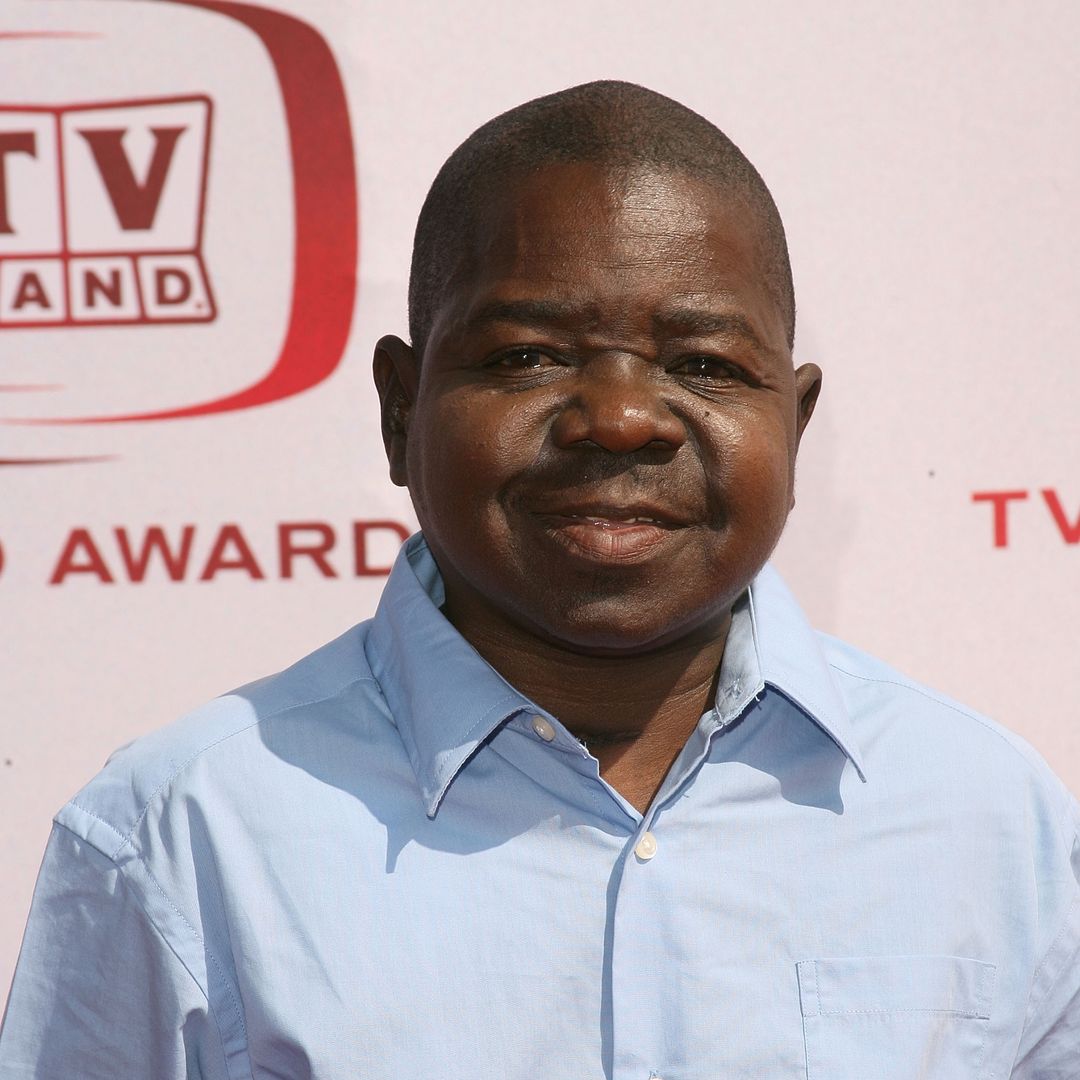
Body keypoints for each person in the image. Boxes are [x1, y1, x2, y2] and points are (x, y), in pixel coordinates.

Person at [1, 80, 1077, 1079]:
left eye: (705, 365)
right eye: (528, 356)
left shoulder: (987, 819)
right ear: (399, 410)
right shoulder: (182, 835)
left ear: (792, 427)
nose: (621, 419)